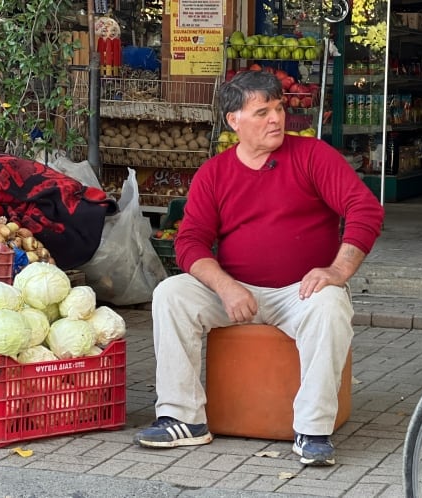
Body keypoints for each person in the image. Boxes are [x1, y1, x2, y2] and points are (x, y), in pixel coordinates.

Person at [133, 70, 384, 466]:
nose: (276, 118)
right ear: (234, 121)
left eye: (279, 108)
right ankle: (183, 419)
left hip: (299, 293)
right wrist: (226, 286)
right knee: (171, 294)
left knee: (331, 304)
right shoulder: (214, 173)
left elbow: (365, 209)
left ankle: (312, 430)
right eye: (263, 111)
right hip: (236, 291)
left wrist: (337, 272)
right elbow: (189, 242)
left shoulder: (312, 155)